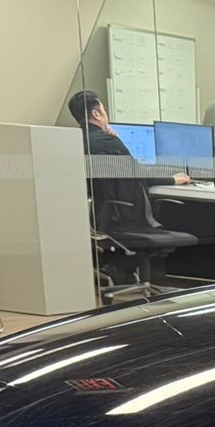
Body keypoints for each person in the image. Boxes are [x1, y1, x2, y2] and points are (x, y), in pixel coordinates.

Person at [69, 89, 194, 287]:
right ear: (96, 114)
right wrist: (172, 179)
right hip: (123, 219)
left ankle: (119, 269)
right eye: (104, 111)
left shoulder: (75, 141)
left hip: (101, 217)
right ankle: (120, 268)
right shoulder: (108, 142)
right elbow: (137, 173)